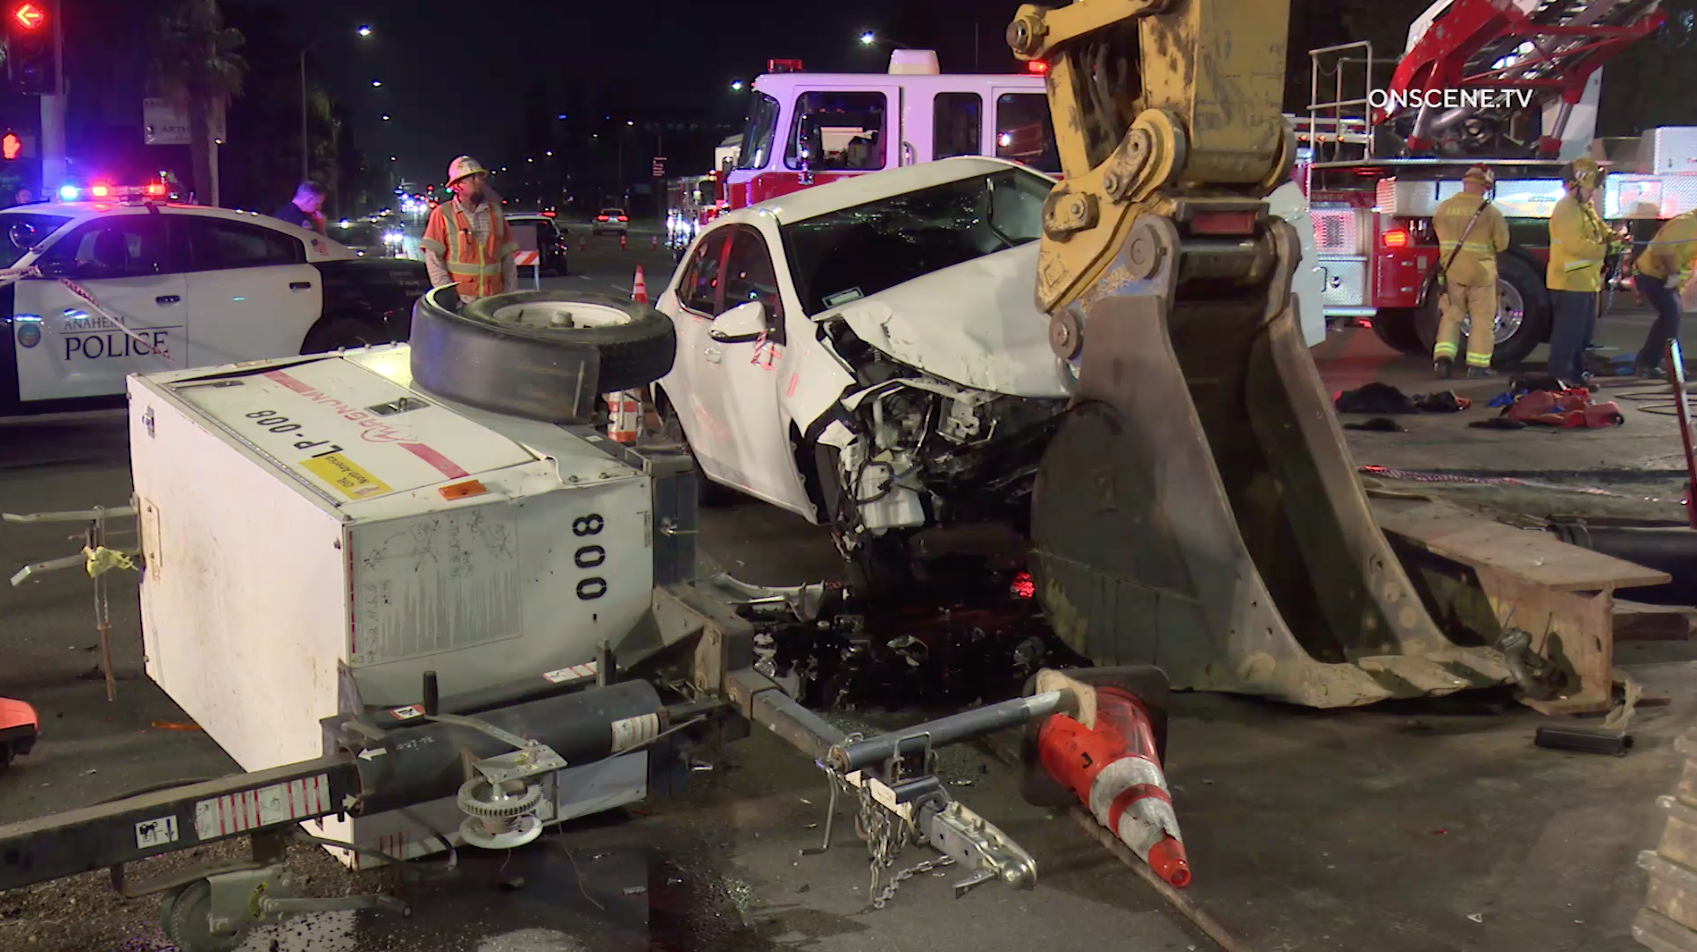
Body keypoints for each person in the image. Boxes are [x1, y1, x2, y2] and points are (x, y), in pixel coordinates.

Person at [1545, 157, 1620, 385]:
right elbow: (1576, 245)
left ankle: (1576, 378)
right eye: (1590, 188)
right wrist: (1607, 248)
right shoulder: (1566, 208)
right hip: (1569, 283)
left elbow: (1601, 231)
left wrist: (1615, 237)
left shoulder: (1584, 208)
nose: (1593, 193)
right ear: (1576, 185)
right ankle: (1560, 378)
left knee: (1583, 335)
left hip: (1585, 283)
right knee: (1568, 335)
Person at [1431, 165, 1510, 378]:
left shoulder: (1443, 208)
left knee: (1451, 316)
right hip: (1481, 274)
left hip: (1453, 271)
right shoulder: (1491, 212)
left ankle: (1443, 360)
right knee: (1482, 320)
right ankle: (1477, 366)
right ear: (1484, 187)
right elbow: (1502, 244)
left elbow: (1438, 233)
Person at [420, 155, 517, 302]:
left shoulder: (495, 213)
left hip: (493, 301)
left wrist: (508, 295)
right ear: (457, 186)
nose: (479, 182)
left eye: (480, 177)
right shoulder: (443, 214)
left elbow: (507, 260)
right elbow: (433, 260)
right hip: (462, 302)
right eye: (472, 178)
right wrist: (449, 298)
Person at [1630, 208, 1697, 379]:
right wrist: (1673, 274)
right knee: (1671, 317)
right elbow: (1663, 248)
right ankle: (1665, 366)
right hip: (1652, 274)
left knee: (1669, 318)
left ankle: (1647, 363)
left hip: (1665, 276)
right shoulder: (1686, 223)